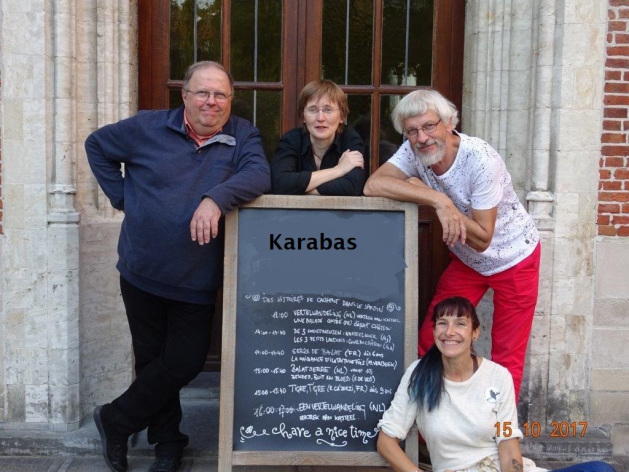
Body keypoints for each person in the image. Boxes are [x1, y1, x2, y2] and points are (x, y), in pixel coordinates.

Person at [85, 61, 271, 472]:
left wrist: (216, 198)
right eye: (202, 92)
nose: (211, 102)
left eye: (220, 94)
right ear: (184, 96)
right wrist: (124, 198)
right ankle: (168, 446)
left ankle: (115, 420)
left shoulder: (242, 134)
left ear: (231, 99)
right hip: (142, 270)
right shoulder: (146, 127)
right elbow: (96, 145)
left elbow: (259, 174)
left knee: (184, 361)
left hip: (195, 278)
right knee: (152, 362)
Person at [364, 89, 540, 399]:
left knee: (507, 356)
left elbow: (483, 238)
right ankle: (421, 422)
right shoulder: (413, 149)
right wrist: (437, 199)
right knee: (430, 340)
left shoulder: (481, 160)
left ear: (448, 123)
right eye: (412, 131)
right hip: (468, 260)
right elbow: (373, 184)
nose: (421, 137)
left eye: (429, 126)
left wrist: (442, 204)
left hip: (515, 257)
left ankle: (501, 427)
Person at [377, 297, 616, 472]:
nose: (449, 332)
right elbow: (386, 441)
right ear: (434, 330)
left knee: (600, 469)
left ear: (475, 333)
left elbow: (507, 442)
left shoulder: (498, 376)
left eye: (460, 323)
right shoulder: (419, 375)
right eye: (442, 323)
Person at [271, 79, 365, 195]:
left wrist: (302, 189)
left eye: (328, 110)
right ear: (303, 117)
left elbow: (352, 187)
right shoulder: (291, 140)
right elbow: (280, 184)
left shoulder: (350, 139)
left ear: (342, 117)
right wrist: (338, 170)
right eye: (313, 110)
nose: (320, 118)